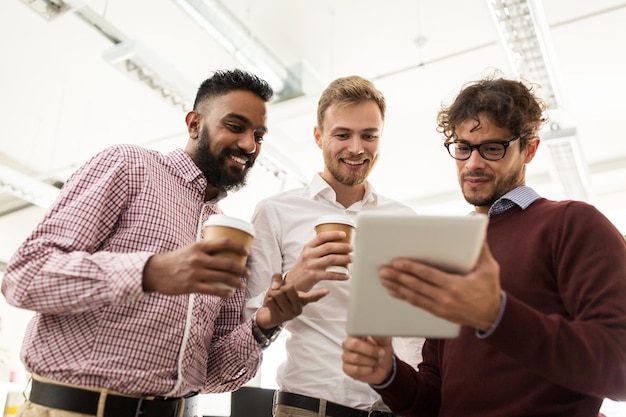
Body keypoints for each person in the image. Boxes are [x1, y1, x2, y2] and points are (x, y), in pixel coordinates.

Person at [1, 69, 327, 417]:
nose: (249, 145)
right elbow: (25, 276)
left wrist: (265, 323)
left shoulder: (229, 233)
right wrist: (151, 272)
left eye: (258, 135)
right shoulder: (129, 165)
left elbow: (212, 375)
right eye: (235, 126)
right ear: (194, 124)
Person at [340, 75, 626, 417]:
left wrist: (497, 315)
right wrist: (388, 375)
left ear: (529, 149)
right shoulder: (452, 249)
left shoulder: (573, 224)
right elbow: (434, 399)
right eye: (463, 148)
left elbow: (620, 366)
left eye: (492, 148)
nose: (473, 164)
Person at [244, 75, 423, 417]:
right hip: (308, 408)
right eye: (343, 134)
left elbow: (413, 335)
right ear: (318, 136)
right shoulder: (276, 212)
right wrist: (295, 283)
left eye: (369, 136)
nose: (357, 148)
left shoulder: (404, 218)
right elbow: (249, 324)